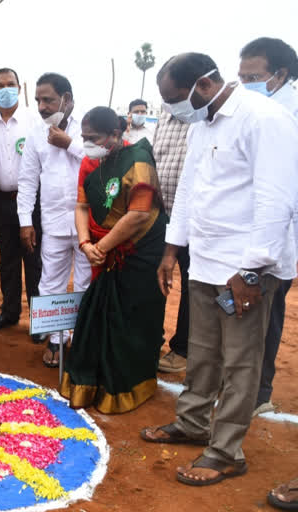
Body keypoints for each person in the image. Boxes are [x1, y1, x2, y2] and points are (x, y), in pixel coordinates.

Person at [141, 53, 298, 487]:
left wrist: (250, 269)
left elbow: (276, 197)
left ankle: (226, 451)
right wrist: (172, 250)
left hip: (244, 271)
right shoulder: (202, 124)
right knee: (203, 351)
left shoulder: (263, 119)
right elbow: (190, 190)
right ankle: (193, 423)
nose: (172, 109)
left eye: (175, 99)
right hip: (206, 263)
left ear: (204, 85)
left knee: (241, 362)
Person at [59, 106, 167, 413]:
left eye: (93, 138)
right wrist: (85, 243)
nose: (88, 143)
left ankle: (127, 384)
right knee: (96, 315)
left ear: (116, 135)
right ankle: (92, 381)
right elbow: (80, 206)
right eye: (84, 137)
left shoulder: (139, 161)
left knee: (130, 319)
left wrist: (102, 246)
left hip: (138, 252)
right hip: (100, 250)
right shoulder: (90, 163)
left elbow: (139, 214)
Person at [239, 36, 298, 418]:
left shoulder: (287, 114)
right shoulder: (259, 109)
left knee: (267, 314)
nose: (244, 85)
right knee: (244, 315)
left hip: (275, 238)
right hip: (248, 234)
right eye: (240, 76)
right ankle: (245, 388)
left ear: (280, 74)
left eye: (253, 76)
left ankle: (258, 392)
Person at [17, 73, 90, 366]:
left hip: (88, 223)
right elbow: (27, 180)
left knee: (86, 283)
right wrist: (25, 221)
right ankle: (57, 340)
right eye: (38, 100)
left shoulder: (89, 125)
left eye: (48, 99)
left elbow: (101, 160)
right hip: (53, 221)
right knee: (50, 282)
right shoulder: (36, 132)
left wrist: (69, 143)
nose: (42, 106)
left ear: (67, 98)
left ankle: (83, 340)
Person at [0, 68, 42, 342]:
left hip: (32, 201)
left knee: (34, 260)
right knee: (7, 261)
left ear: (19, 87)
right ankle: (9, 313)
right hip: (3, 200)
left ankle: (39, 321)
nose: (6, 89)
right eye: (0, 85)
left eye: (11, 84)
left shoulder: (33, 120)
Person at [154, 109, 191, 374]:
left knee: (192, 287)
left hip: (193, 219)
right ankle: (152, 339)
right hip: (159, 216)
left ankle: (183, 349)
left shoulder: (202, 120)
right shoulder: (163, 119)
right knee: (154, 281)